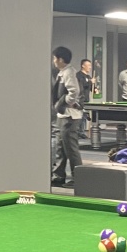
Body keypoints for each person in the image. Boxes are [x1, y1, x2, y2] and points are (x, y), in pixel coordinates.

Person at [51, 46, 83, 187]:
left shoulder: (69, 72)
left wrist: (66, 102)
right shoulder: (62, 72)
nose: (53, 61)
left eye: (55, 58)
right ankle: (58, 175)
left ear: (60, 59)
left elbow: (74, 91)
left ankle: (78, 178)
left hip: (70, 116)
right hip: (63, 115)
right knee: (60, 147)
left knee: (70, 149)